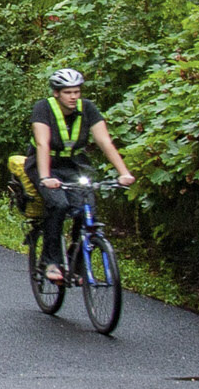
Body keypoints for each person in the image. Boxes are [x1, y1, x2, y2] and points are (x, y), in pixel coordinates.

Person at [29, 70, 133, 283]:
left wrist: (124, 173)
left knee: (86, 211)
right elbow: (42, 143)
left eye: (77, 91)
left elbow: (105, 142)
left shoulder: (88, 109)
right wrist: (46, 177)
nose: (73, 96)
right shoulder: (43, 108)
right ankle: (50, 262)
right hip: (45, 164)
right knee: (58, 205)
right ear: (57, 93)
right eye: (68, 92)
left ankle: (76, 265)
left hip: (75, 165)